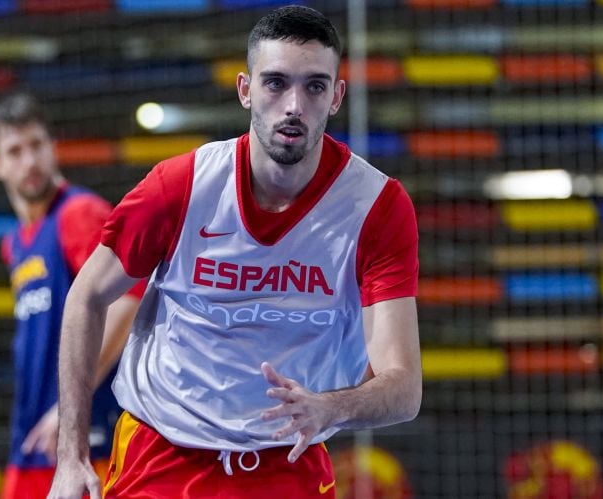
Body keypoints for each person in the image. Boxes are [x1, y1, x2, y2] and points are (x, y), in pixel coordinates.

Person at [47, 5, 422, 498]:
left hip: (289, 456)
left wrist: (330, 407)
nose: (293, 105)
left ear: (336, 97)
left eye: (314, 86)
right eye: (275, 83)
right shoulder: (181, 185)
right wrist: (70, 458)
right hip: (163, 454)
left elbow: (403, 386)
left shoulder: (376, 207)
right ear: (245, 89)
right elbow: (87, 297)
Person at [0, 94, 143, 499]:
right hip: (35, 435)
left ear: (53, 148)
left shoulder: (79, 214)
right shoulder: (14, 244)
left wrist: (68, 407)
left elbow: (131, 299)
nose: (29, 161)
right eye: (15, 152)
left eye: (37, 146)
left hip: (87, 436)